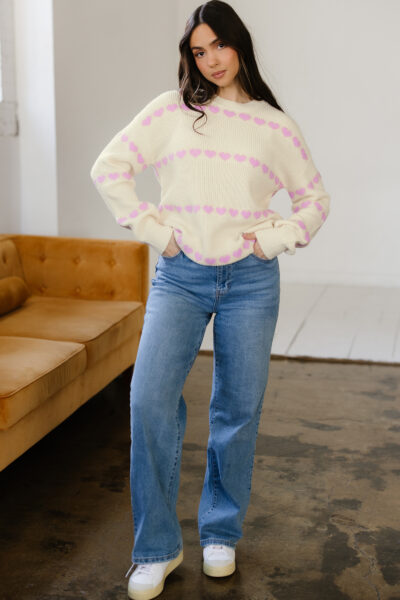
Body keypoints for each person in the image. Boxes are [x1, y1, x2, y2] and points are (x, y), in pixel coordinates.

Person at [90, 2, 330, 598]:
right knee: (149, 398)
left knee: (237, 408)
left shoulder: (274, 125)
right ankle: (156, 548)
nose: (211, 60)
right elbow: (109, 168)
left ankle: (221, 533)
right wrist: (157, 232)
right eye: (199, 51)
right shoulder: (171, 110)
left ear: (239, 44)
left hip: (251, 278)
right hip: (180, 275)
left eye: (219, 45)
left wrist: (275, 238)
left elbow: (314, 201)